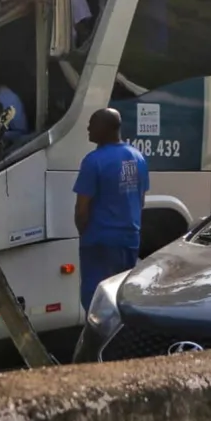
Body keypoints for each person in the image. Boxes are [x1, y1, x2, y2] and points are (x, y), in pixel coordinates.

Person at [73, 107, 149, 311]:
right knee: (121, 297)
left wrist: (84, 234)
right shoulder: (138, 157)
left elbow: (82, 209)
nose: (88, 128)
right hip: (129, 239)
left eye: (92, 123)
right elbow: (140, 201)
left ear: (106, 128)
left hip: (100, 242)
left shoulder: (93, 161)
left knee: (95, 300)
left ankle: (96, 340)